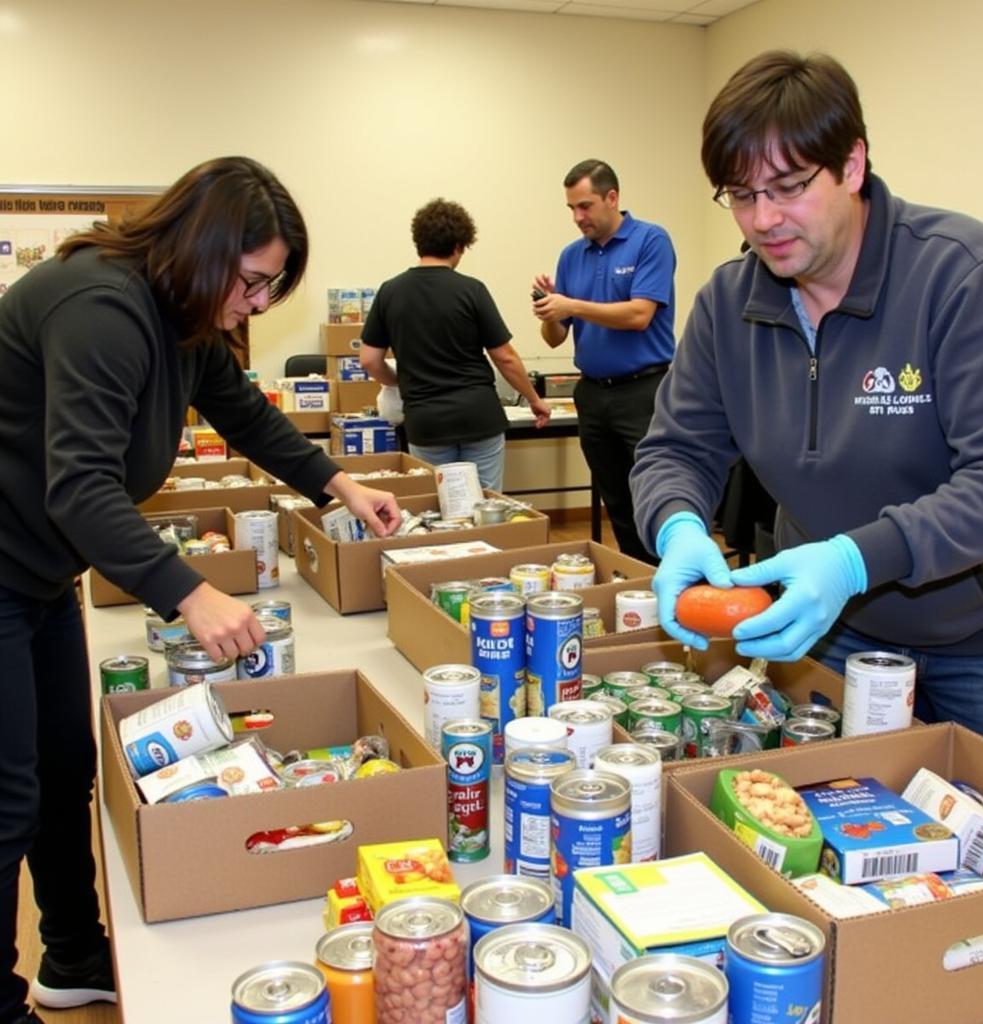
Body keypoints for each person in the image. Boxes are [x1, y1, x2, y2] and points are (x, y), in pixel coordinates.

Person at [0, 156, 401, 1024]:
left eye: (271, 289)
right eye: (253, 282)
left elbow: (248, 417)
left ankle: (72, 955)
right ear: (203, 249)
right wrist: (189, 592)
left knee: (67, 767)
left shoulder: (181, 318)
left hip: (35, 571)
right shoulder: (102, 308)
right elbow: (80, 486)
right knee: (9, 792)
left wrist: (340, 485)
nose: (258, 305)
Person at [630, 50, 983, 754]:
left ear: (852, 164)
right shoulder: (728, 302)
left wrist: (854, 560)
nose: (764, 219)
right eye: (741, 195)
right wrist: (677, 526)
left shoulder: (965, 278)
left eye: (787, 187)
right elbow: (676, 449)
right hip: (825, 631)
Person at [532, 159, 677, 564]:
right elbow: (557, 336)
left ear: (612, 198)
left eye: (585, 206)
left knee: (654, 490)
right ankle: (637, 575)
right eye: (572, 209)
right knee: (616, 496)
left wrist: (571, 303)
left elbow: (638, 315)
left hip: (643, 391)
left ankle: (673, 578)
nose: (578, 217)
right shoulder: (571, 255)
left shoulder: (651, 240)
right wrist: (550, 312)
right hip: (593, 394)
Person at [360, 198, 549, 492]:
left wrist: (399, 380)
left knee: (439, 506)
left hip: (426, 421)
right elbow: (506, 357)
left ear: (418, 241)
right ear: (459, 245)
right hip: (478, 416)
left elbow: (369, 360)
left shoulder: (390, 292)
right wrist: (535, 400)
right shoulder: (471, 290)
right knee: (486, 504)